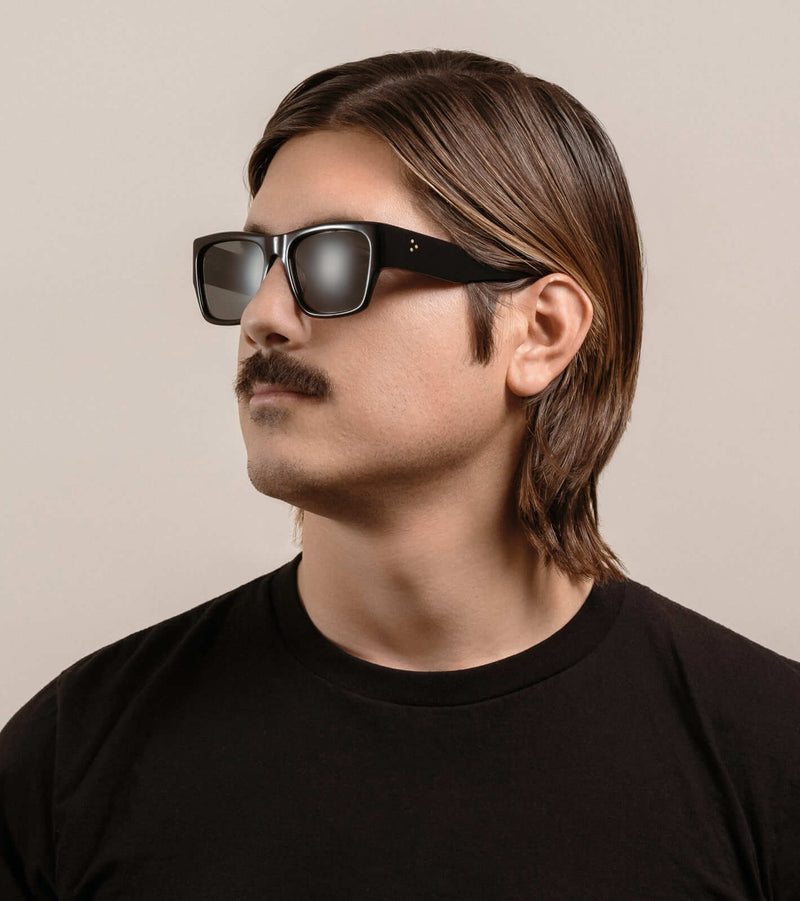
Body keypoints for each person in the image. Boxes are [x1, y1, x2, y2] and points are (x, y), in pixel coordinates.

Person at [1, 48, 798, 900]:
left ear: (541, 331)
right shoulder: (71, 758)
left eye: (335, 260)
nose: (263, 317)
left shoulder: (769, 757)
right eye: (252, 265)